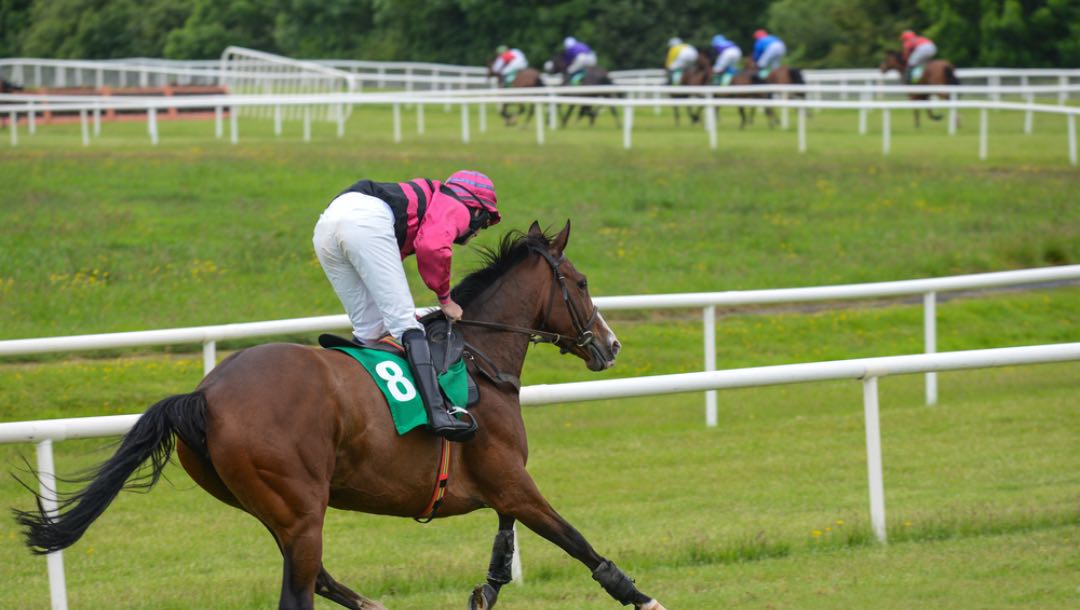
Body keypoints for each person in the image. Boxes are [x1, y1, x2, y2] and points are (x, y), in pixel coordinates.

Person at [312, 170, 501, 442]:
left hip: (328, 224)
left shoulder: (429, 204)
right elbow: (434, 247)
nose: (478, 230)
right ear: (476, 209)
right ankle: (438, 413)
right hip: (363, 220)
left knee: (370, 329)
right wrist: (444, 299)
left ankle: (363, 407)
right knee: (405, 325)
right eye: (483, 221)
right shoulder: (456, 204)